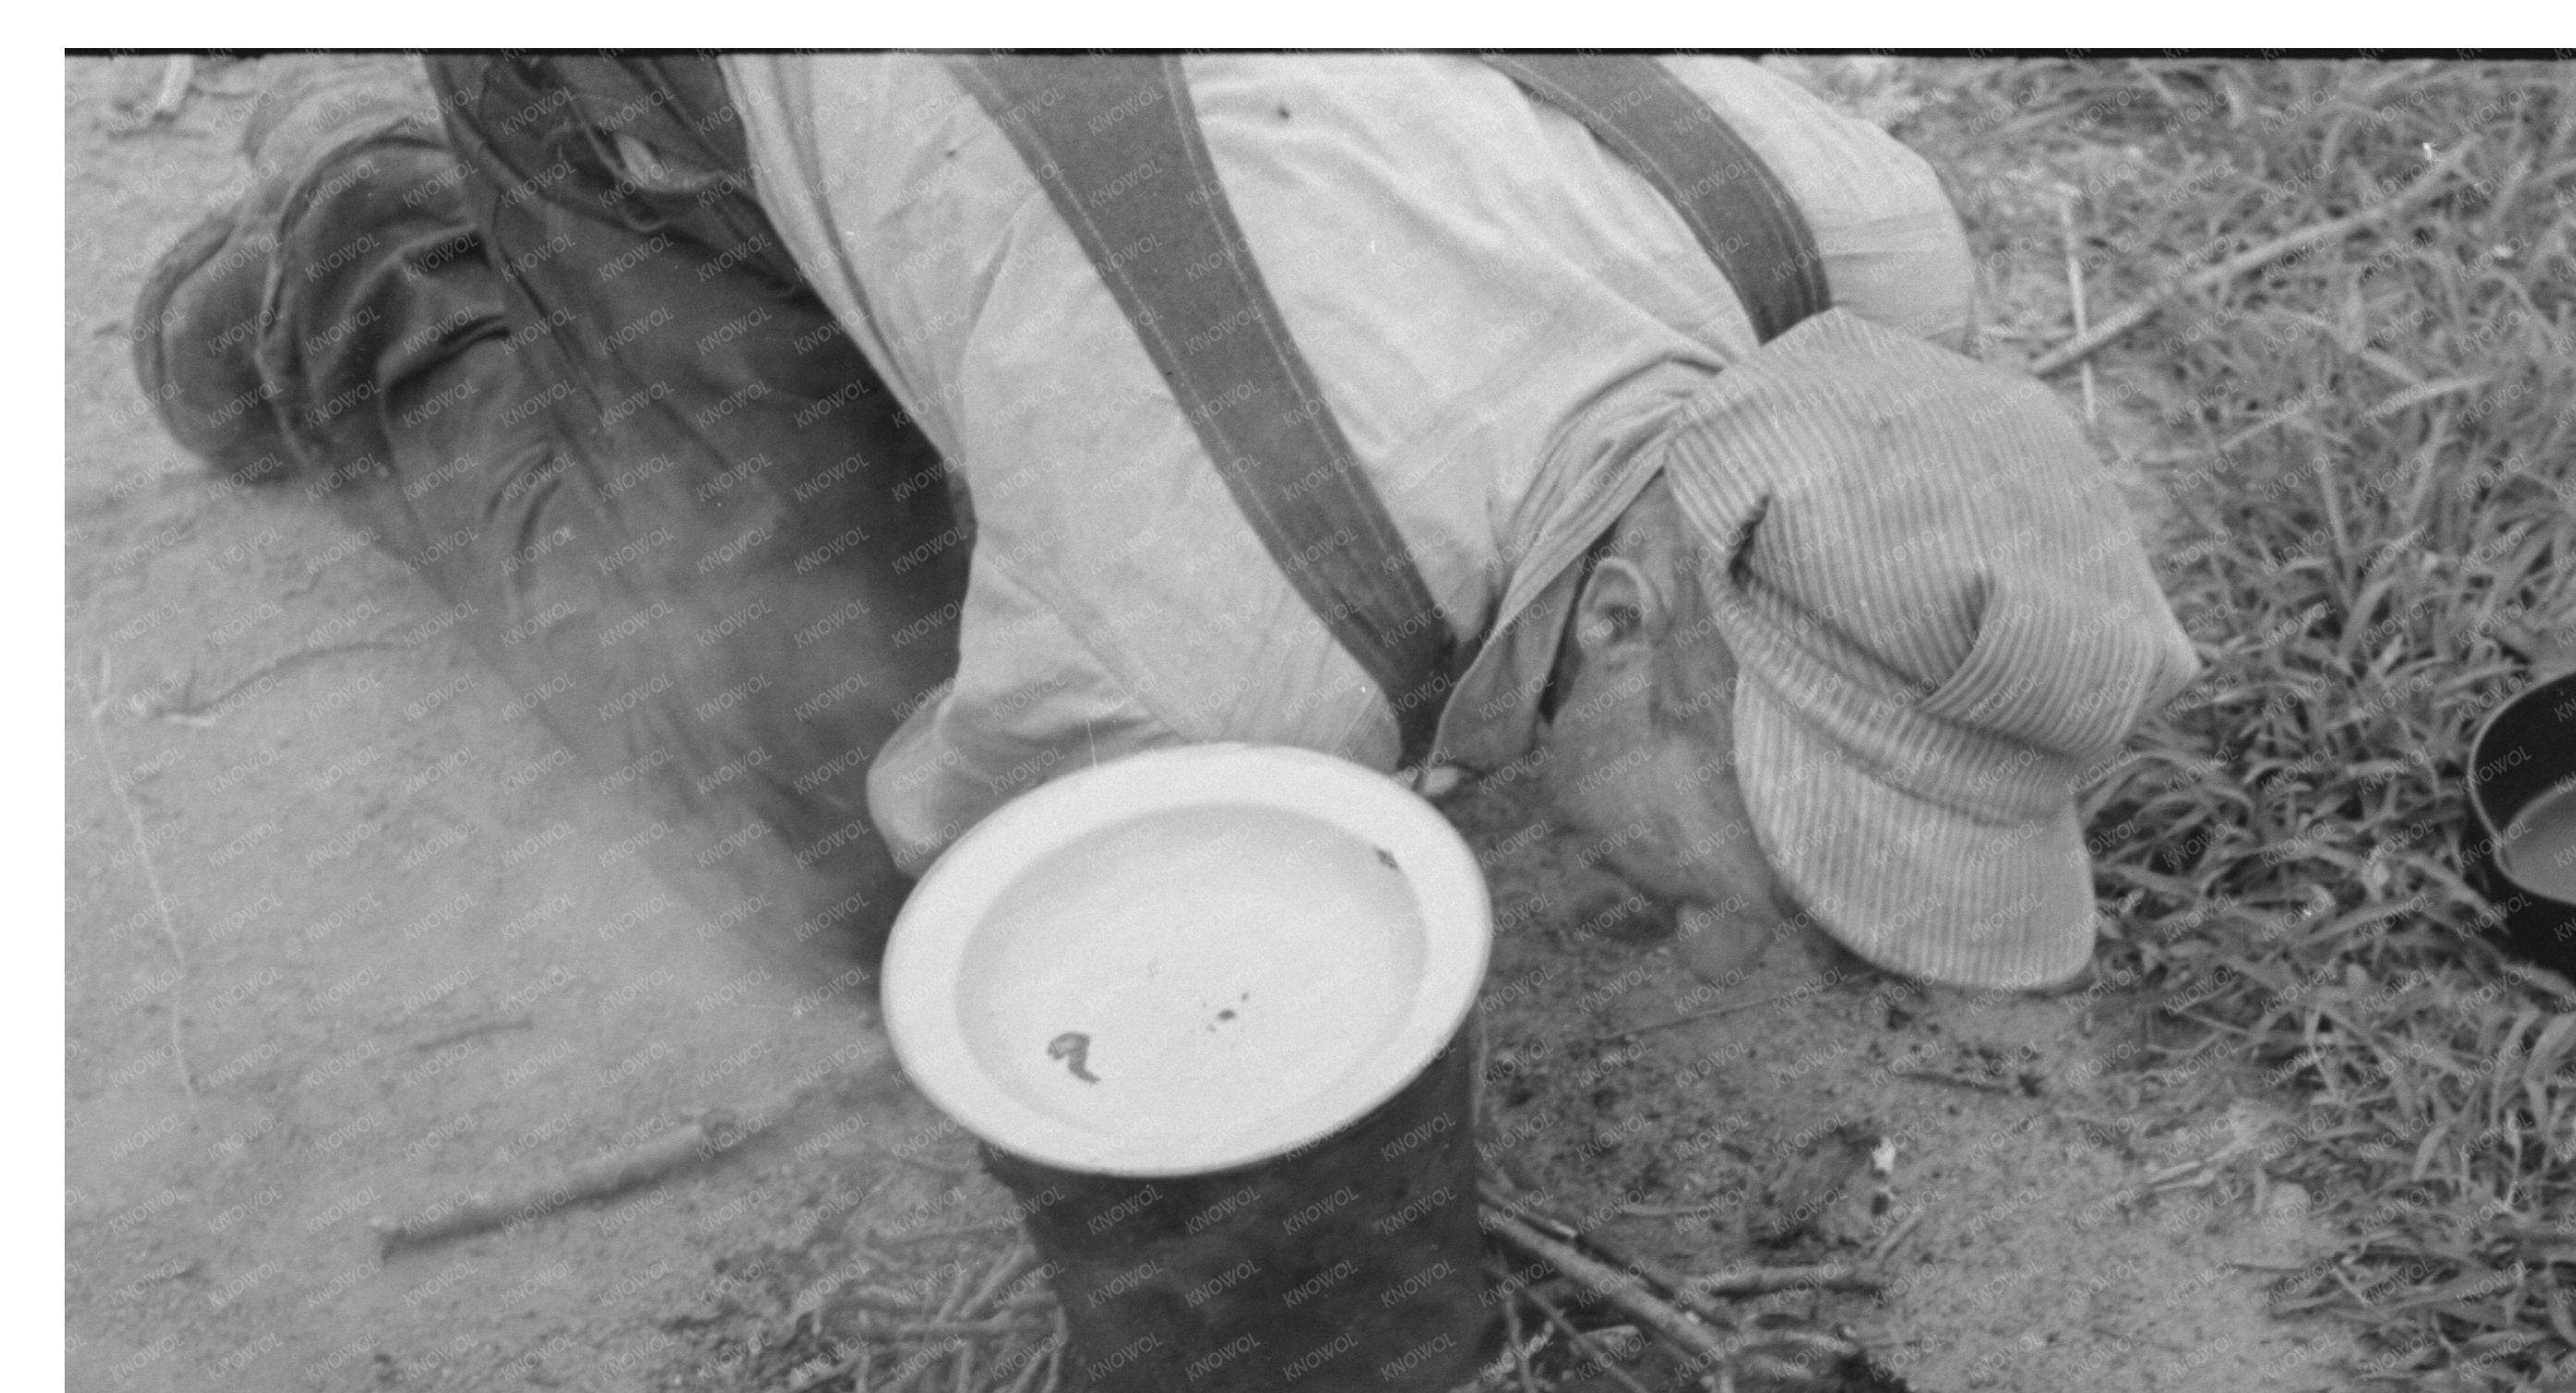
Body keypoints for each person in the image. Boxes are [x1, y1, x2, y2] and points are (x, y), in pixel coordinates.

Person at [135, 53, 2199, 995]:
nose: (1758, 924)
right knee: (805, 838)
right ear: (1637, 609)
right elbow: (990, 876)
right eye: (1772, 837)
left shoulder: (1860, 239)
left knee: (1040, 396)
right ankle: (366, 238)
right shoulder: (1215, 676)